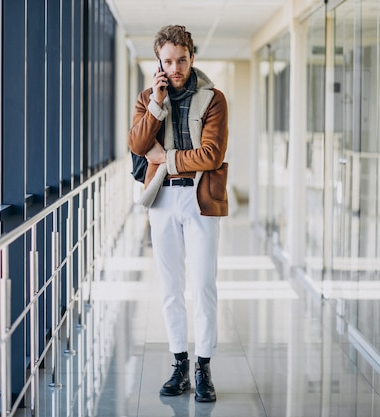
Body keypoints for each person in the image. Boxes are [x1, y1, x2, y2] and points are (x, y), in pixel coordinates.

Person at [128, 25, 229, 403]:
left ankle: (204, 367)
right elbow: (138, 144)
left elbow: (211, 156)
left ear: (191, 56)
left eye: (182, 59)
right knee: (170, 288)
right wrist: (156, 103)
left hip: (201, 199)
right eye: (168, 61)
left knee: (202, 284)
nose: (175, 68)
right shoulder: (146, 99)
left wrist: (165, 159)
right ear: (159, 61)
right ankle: (180, 365)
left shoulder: (214, 99)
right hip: (162, 200)